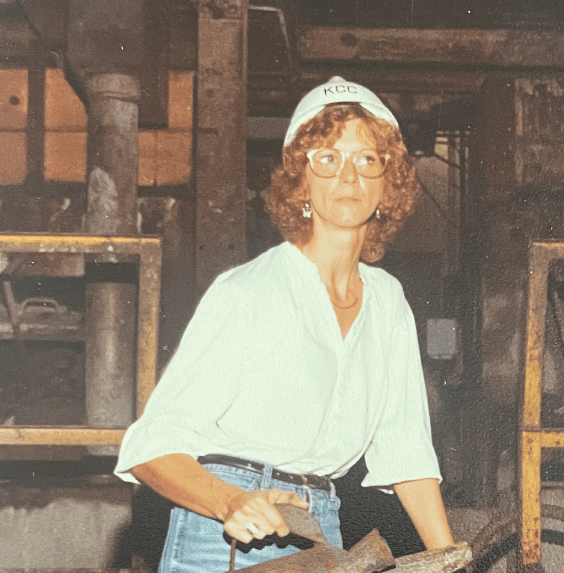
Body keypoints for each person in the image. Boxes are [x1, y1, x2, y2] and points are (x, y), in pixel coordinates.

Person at [114, 76, 455, 572]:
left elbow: (408, 457)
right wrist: (230, 501)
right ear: (301, 182)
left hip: (322, 525)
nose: (348, 176)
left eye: (367, 159)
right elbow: (151, 448)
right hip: (222, 533)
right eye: (327, 158)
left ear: (388, 183)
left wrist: (451, 561)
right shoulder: (250, 291)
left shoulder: (388, 303)